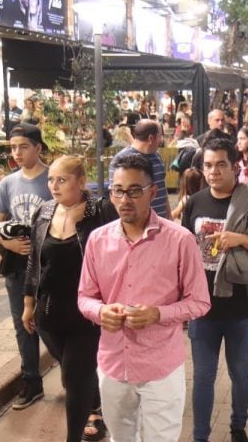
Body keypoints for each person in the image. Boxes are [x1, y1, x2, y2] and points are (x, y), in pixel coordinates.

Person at [78, 153, 210, 441]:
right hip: (113, 365)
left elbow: (200, 301)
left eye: (135, 191)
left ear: (152, 192)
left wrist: (158, 314)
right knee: (121, 438)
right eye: (118, 190)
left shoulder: (179, 240)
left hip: (160, 367)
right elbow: (85, 297)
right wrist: (101, 312)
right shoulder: (98, 240)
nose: (125, 199)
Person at [182, 138, 248, 442]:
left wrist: (240, 239)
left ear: (235, 166)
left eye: (220, 164)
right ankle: (200, 436)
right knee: (203, 376)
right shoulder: (196, 202)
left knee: (239, 371)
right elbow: (185, 252)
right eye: (208, 165)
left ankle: (238, 426)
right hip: (203, 305)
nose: (213, 171)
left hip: (241, 304)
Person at [21, 156, 118, 442]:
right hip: (49, 313)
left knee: (74, 377)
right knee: (75, 371)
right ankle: (96, 403)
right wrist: (28, 305)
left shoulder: (100, 211)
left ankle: (76, 434)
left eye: (61, 180)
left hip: (86, 311)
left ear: (80, 180)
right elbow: (34, 260)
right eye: (51, 179)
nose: (54, 185)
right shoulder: (44, 211)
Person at [0, 123, 51, 409]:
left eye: (23, 146)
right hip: (18, 262)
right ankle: (31, 378)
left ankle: (77, 376)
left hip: (50, 262)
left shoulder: (53, 178)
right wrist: (8, 243)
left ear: (38, 147)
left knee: (52, 320)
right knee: (22, 323)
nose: (16, 153)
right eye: (13, 147)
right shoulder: (7, 183)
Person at [109, 120, 171, 219]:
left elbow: (163, 190)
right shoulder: (120, 160)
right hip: (136, 224)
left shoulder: (157, 157)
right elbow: (116, 194)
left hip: (161, 224)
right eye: (160, 136)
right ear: (151, 138)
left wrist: (169, 217)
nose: (161, 141)